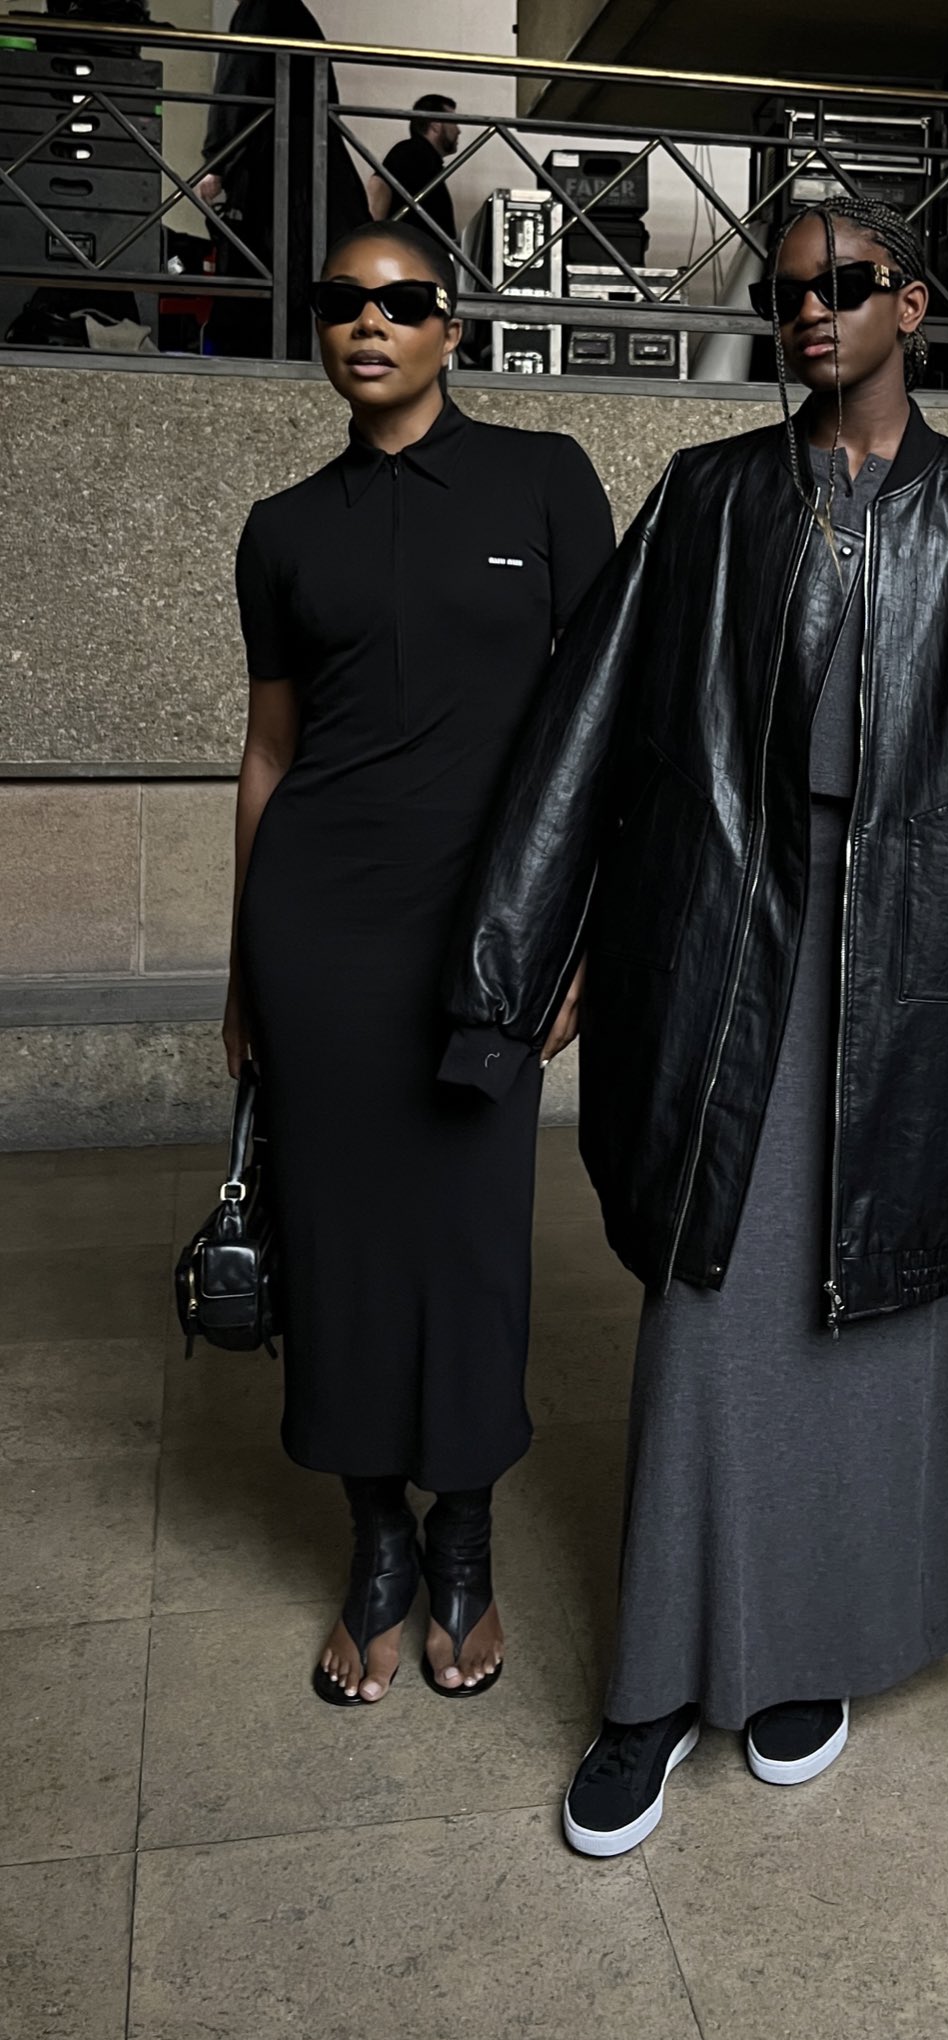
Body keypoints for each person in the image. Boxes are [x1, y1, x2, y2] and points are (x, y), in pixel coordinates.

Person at [439, 198, 948, 1855]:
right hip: (731, 952)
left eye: (845, 286)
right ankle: (651, 1686)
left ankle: (806, 1657)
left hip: (929, 974)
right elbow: (582, 740)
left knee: (886, 1306)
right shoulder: (708, 499)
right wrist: (504, 979)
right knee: (717, 1306)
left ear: (913, 299)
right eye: (786, 297)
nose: (813, 315)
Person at [224, 218, 616, 1708]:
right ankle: (376, 1539)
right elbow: (267, 756)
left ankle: (468, 1536)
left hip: (491, 936)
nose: (366, 324)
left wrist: (580, 931)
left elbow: (605, 735)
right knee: (338, 1246)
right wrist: (244, 966)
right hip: (318, 930)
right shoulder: (281, 529)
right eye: (340, 304)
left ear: (452, 328)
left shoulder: (545, 477)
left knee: (468, 1235)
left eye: (399, 303)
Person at [197, 0, 370, 358]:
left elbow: (238, 84)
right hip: (319, 167)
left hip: (275, 169)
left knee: (269, 288)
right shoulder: (296, 14)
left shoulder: (258, 11)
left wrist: (218, 160)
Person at [371, 94, 460, 247]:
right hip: (409, 254)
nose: (459, 130)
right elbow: (378, 185)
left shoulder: (426, 160)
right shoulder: (411, 151)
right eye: (453, 122)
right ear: (435, 125)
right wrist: (373, 242)